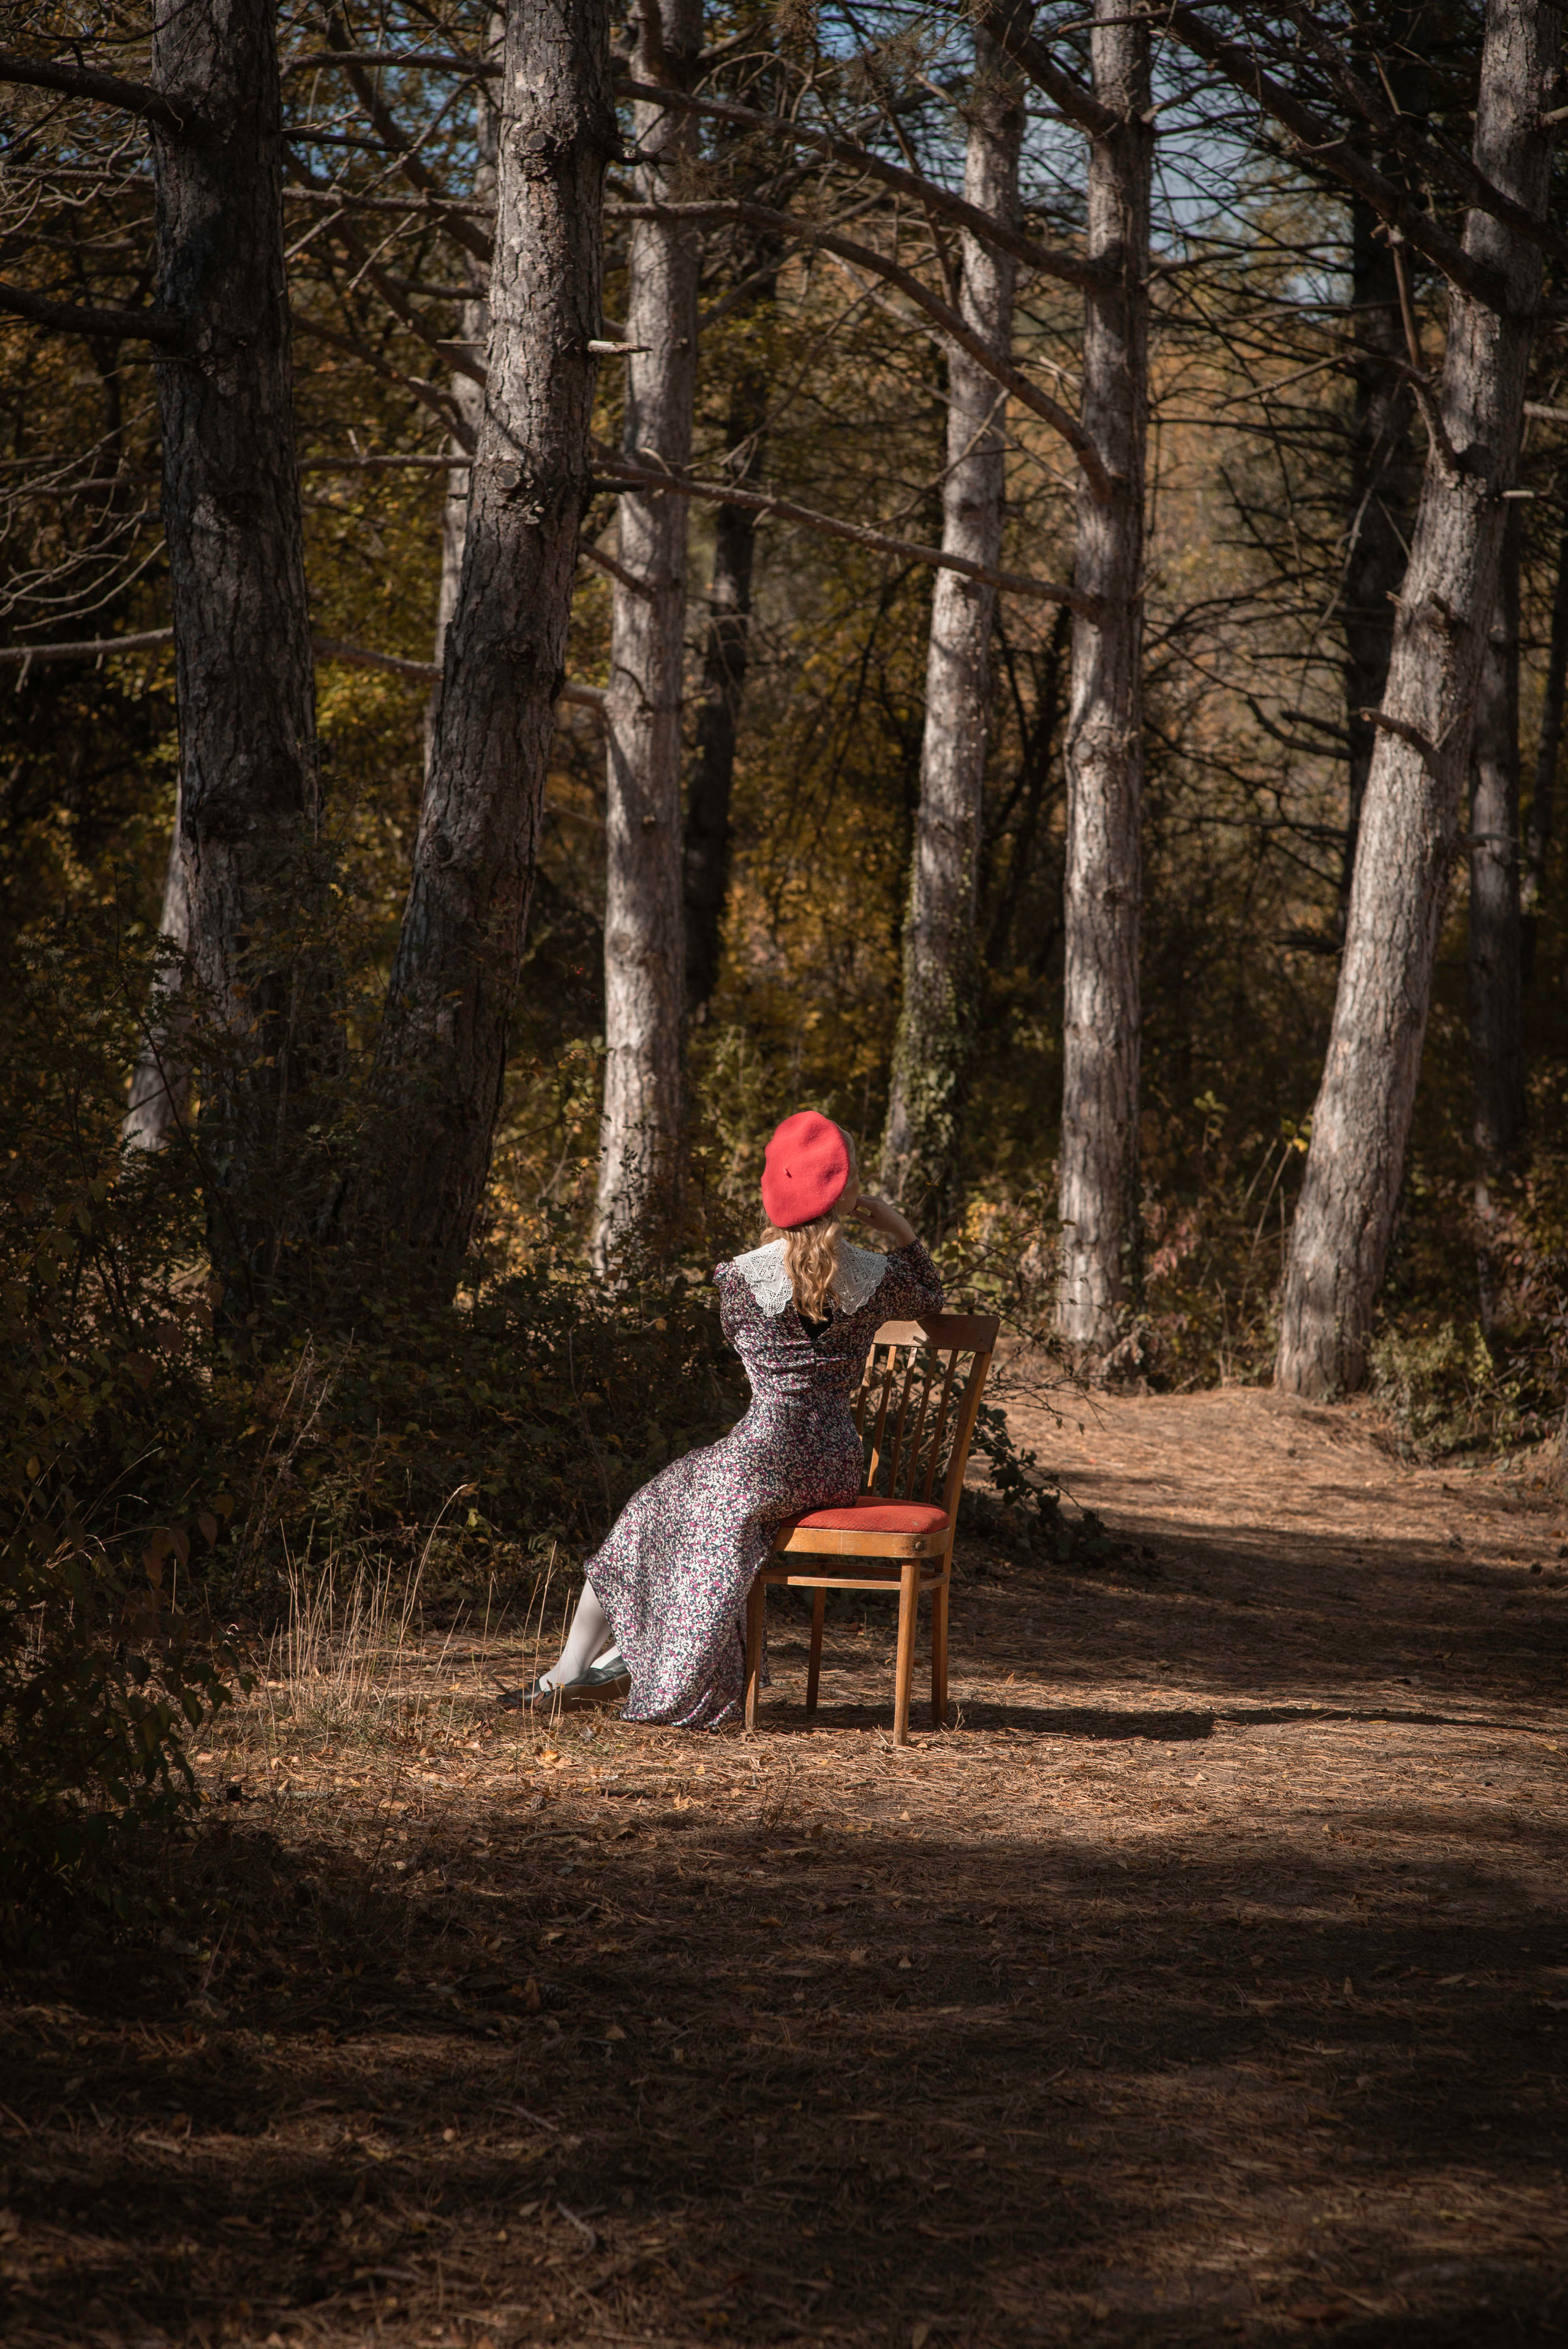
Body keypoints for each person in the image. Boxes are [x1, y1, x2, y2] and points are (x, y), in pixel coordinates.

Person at [505, 1110, 943, 1728]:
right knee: (682, 1508)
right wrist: (894, 1225)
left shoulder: (740, 1279)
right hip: (837, 1460)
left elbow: (748, 1348)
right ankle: (604, 1664)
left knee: (650, 1512)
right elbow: (930, 1291)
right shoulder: (876, 1277)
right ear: (845, 1191)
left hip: (766, 1452)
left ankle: (585, 1668)